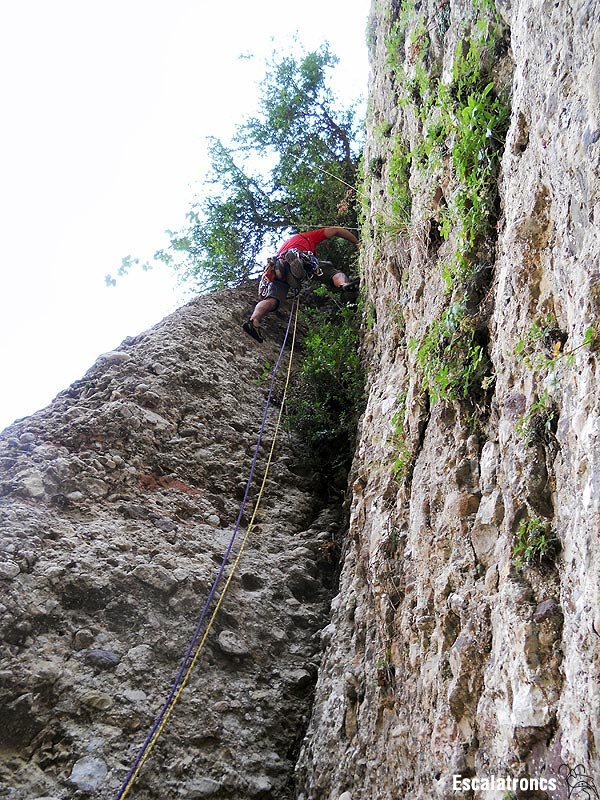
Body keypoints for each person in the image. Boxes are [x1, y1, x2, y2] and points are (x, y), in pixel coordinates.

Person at [242, 226, 359, 343]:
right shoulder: (307, 236)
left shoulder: (284, 245)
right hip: (299, 257)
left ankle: (254, 321)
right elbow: (336, 230)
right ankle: (343, 284)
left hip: (278, 266)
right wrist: (357, 243)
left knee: (272, 300)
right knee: (330, 271)